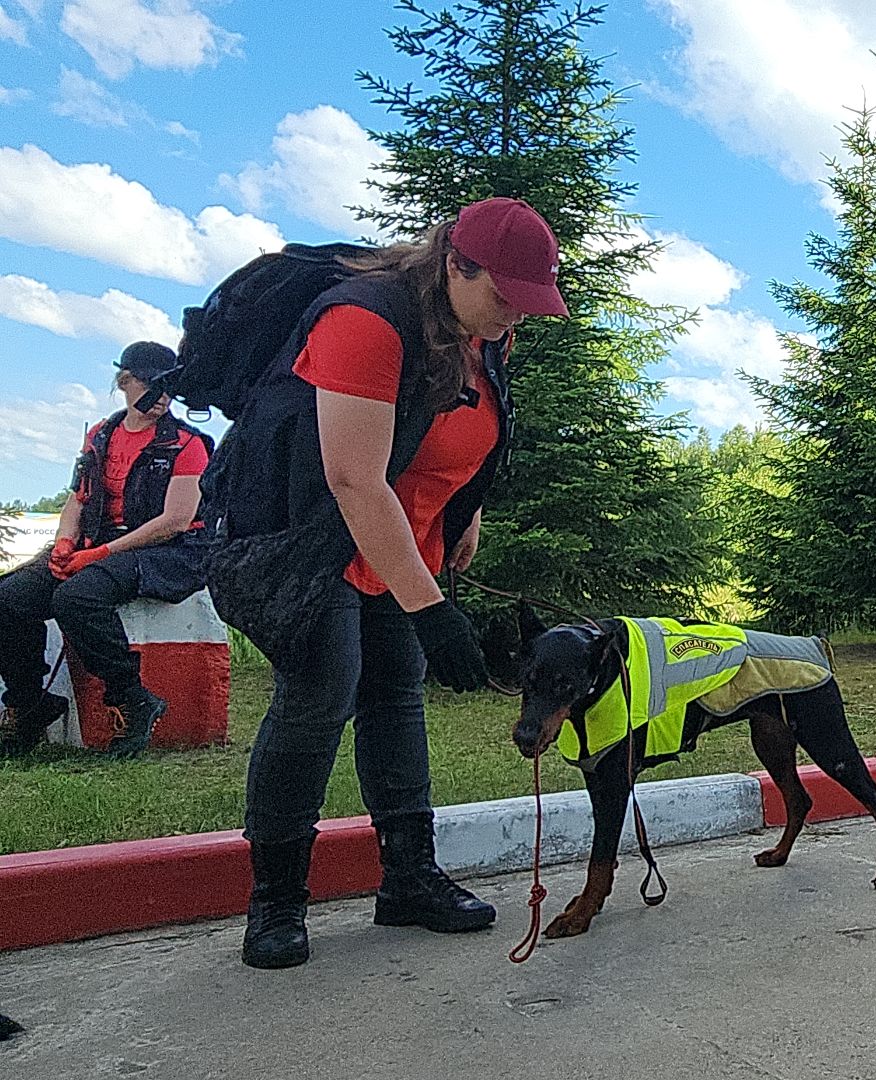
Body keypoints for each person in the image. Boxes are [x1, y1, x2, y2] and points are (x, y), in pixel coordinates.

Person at [202, 197, 568, 969]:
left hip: (396, 535)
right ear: (453, 264)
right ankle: (275, 903)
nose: (512, 322)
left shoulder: (480, 331)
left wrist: (464, 515)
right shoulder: (366, 318)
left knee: (396, 688)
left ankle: (407, 880)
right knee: (321, 690)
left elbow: (458, 431)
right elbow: (352, 479)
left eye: (527, 308)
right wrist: (432, 612)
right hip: (301, 534)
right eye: (504, 299)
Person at [0, 342, 212, 760]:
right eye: (153, 386)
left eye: (172, 388)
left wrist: (99, 555)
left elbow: (176, 520)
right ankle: (29, 704)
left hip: (170, 551)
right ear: (125, 382)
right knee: (8, 599)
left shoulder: (189, 443)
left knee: (76, 598)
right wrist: (64, 542)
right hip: (99, 543)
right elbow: (78, 499)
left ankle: (132, 700)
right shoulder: (100, 435)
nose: (163, 397)